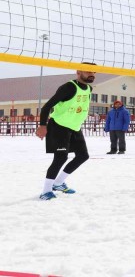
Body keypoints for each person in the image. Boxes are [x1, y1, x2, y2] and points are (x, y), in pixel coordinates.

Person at [35, 62, 97, 200]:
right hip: (59, 126)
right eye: (88, 71)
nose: (92, 74)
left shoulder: (89, 89)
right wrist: (42, 125)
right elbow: (46, 107)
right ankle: (46, 191)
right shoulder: (69, 87)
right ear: (78, 72)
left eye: (94, 72)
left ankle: (58, 183)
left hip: (74, 127)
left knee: (83, 156)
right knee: (60, 158)